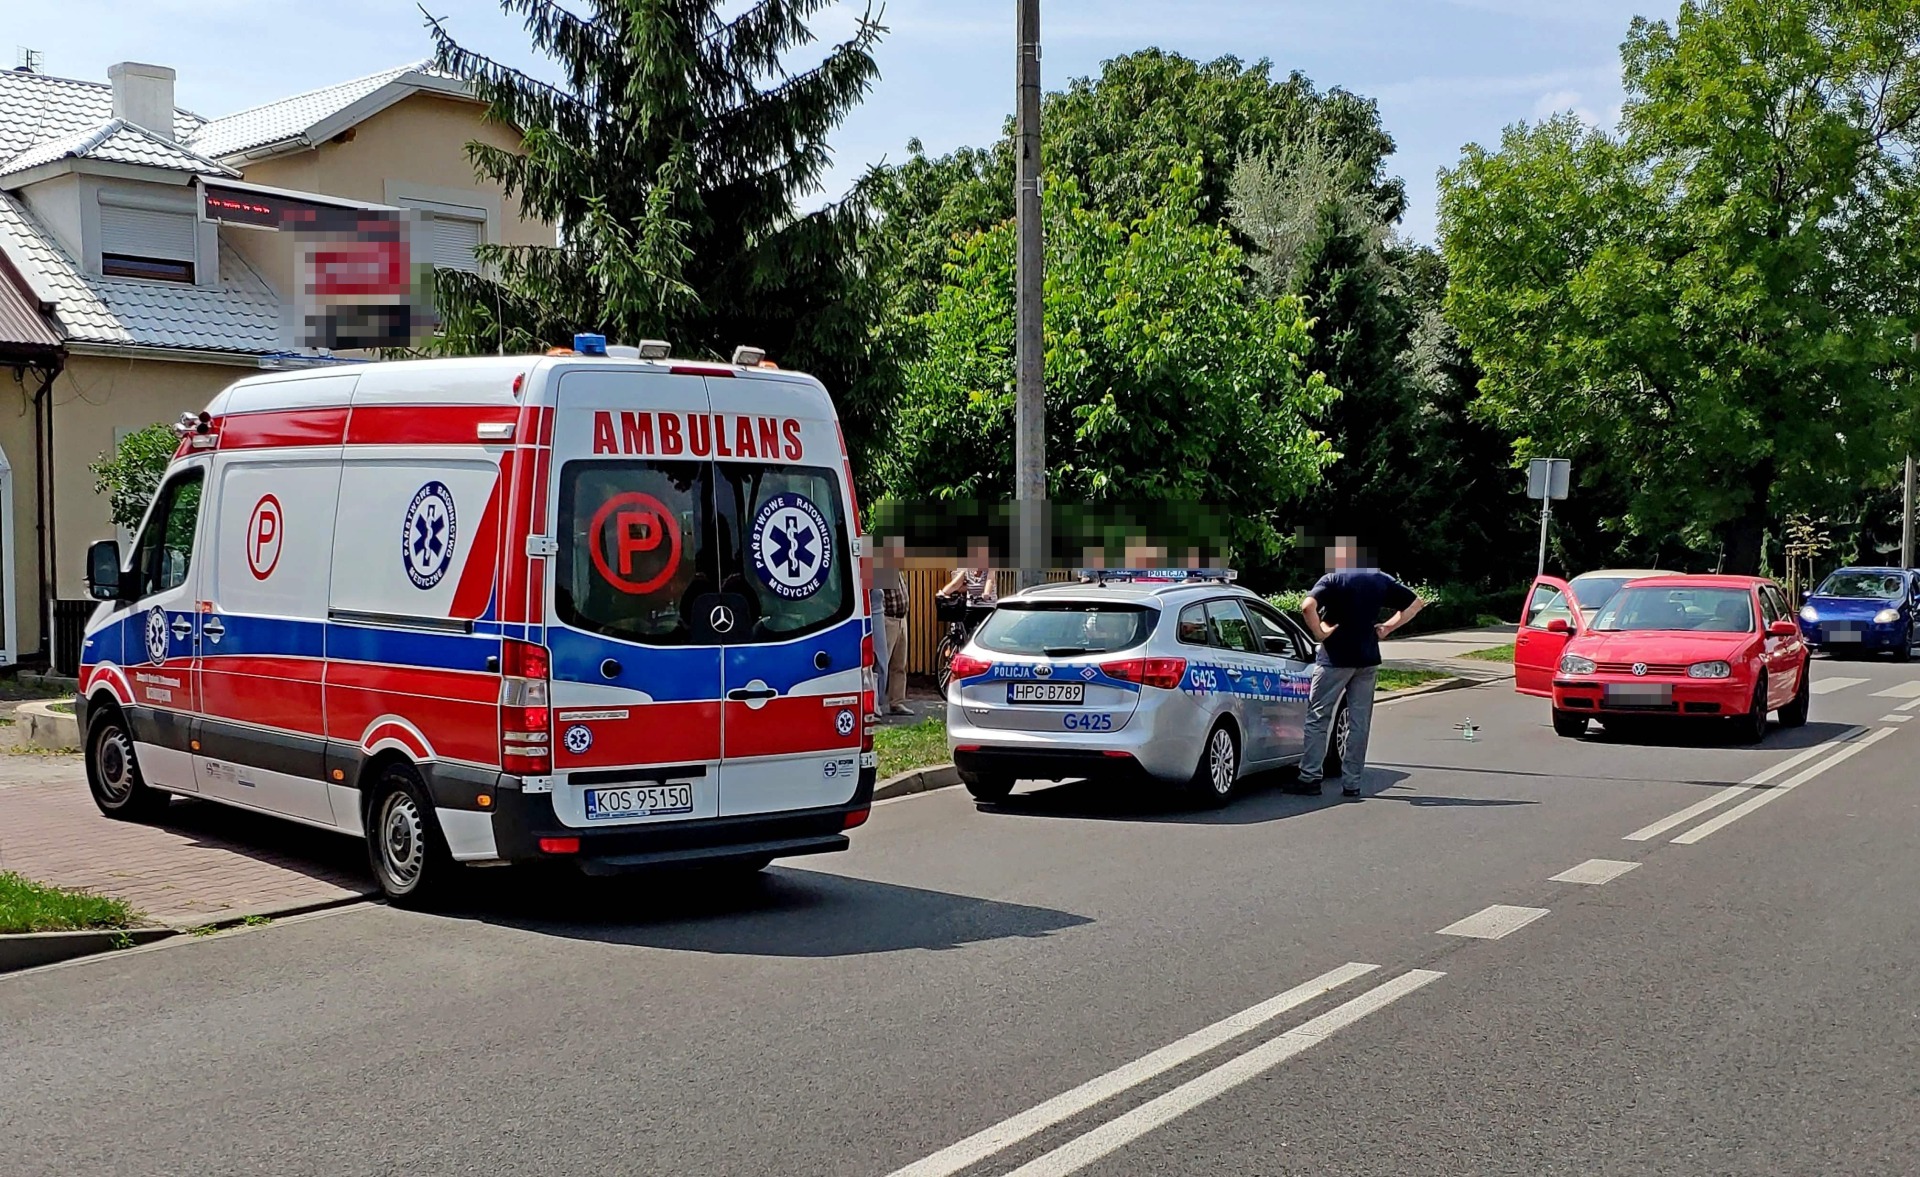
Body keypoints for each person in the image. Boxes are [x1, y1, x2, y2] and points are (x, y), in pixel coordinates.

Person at [1287, 537, 1424, 798]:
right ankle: (1352, 783)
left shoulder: (1332, 580)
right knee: (1358, 722)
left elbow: (1307, 606)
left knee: (1318, 717)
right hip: (1367, 659)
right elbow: (1416, 603)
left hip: (1334, 659)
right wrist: (1388, 627)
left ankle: (1310, 778)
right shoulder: (1379, 579)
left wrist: (1319, 633)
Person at [877, 536, 913, 716]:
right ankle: (875, 704)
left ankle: (897, 702)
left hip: (901, 619)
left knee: (900, 664)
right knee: (881, 664)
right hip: (888, 619)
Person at [939, 539, 998, 607]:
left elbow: (990, 581)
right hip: (971, 606)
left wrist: (986, 593)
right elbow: (955, 585)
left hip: (987, 606)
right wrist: (943, 592)